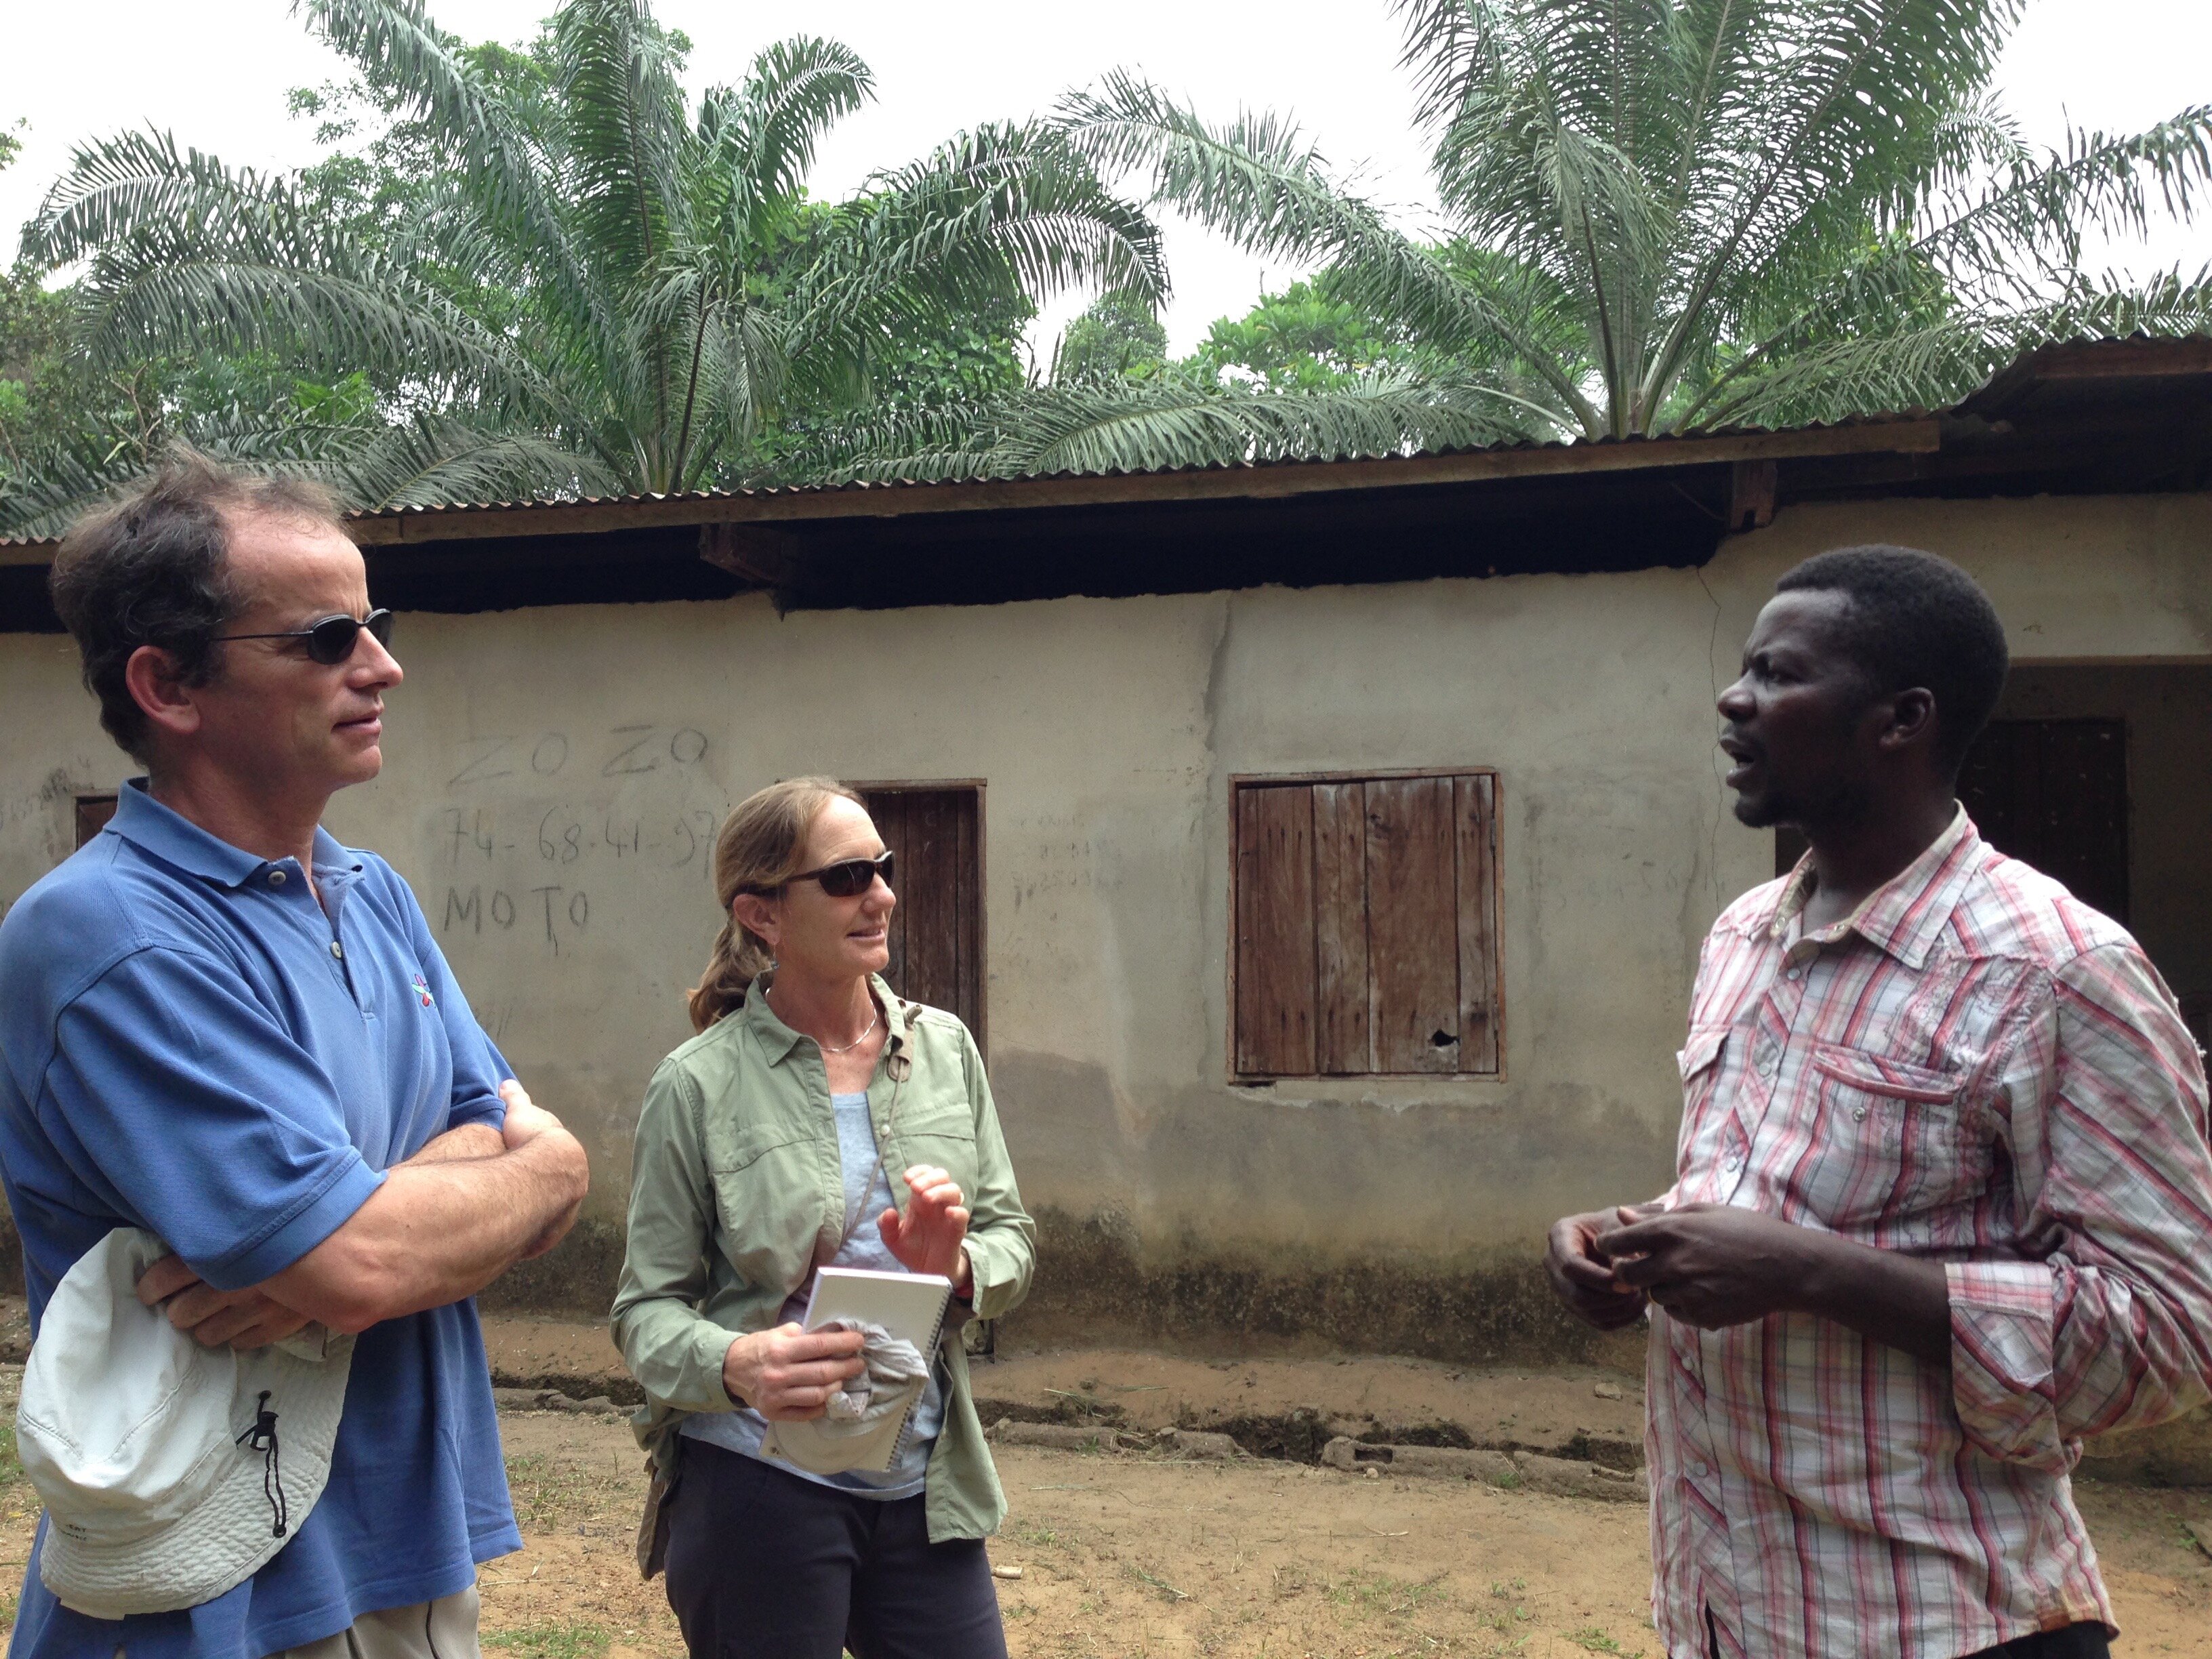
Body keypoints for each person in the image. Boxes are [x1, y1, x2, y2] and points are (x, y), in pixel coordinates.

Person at [1546, 545, 2212, 1659]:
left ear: (1901, 719)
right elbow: (1774, 1189)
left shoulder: (2056, 971)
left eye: (1777, 672)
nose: (1733, 696)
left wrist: (1805, 1275)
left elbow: (2171, 1336)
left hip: (1945, 1626)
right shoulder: (1745, 936)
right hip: (1734, 1613)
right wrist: (1630, 1236)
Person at [0, 455, 592, 1659]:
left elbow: (544, 1167)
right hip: (207, 1575)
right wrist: (470, 1191)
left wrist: (395, 1222)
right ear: (168, 686)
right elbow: (369, 1261)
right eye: (326, 638)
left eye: (371, 625)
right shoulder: (107, 934)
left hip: (405, 1546)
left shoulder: (375, 896)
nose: (382, 665)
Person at [613, 777, 1034, 1659]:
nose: (881, 894)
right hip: (754, 1485)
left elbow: (1011, 1242)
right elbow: (646, 1313)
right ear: (763, 915)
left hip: (923, 1482)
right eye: (846, 878)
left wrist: (953, 1268)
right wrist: (737, 1363)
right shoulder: (696, 1085)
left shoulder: (946, 1051)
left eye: (881, 869)